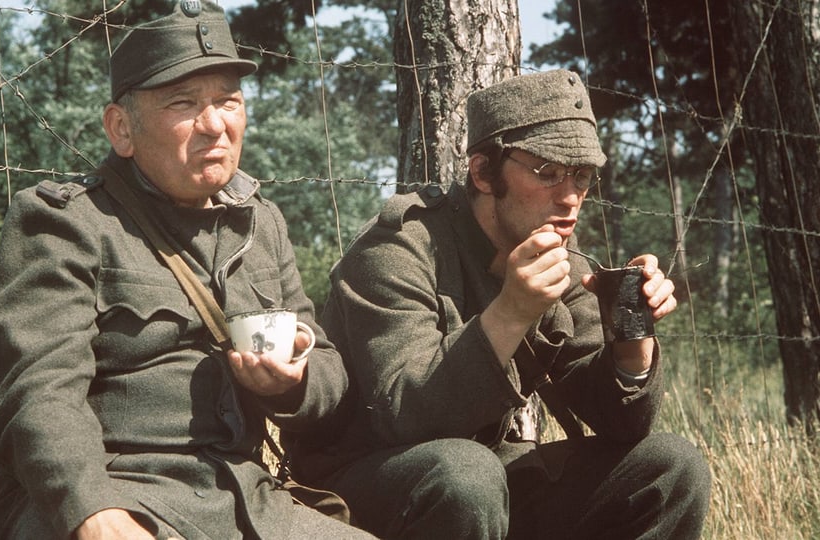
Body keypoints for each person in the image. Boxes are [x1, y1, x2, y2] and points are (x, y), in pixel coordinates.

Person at [0, 3, 374, 538]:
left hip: (244, 497)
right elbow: (36, 394)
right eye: (184, 104)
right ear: (122, 129)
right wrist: (91, 511)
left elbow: (325, 366)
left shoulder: (261, 223)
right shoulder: (64, 223)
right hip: (117, 491)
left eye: (228, 102)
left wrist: (292, 381)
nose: (215, 125)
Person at [283, 69, 712, 539]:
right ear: (484, 172)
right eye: (547, 172)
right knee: (467, 475)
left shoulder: (555, 258)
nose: (570, 198)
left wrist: (632, 335)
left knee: (671, 468)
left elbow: (623, 424)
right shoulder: (397, 248)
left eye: (583, 176)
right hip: (360, 484)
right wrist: (511, 312)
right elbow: (402, 414)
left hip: (478, 479)